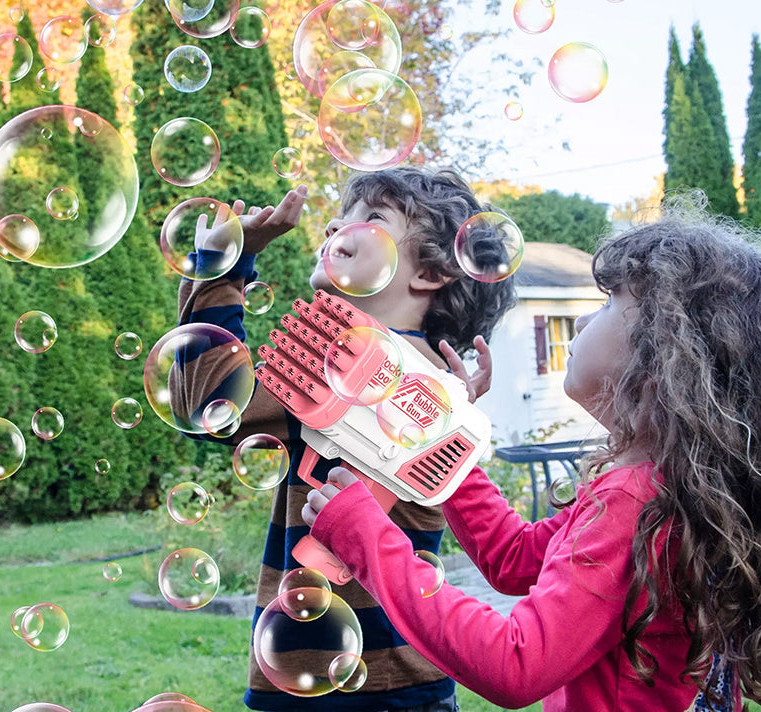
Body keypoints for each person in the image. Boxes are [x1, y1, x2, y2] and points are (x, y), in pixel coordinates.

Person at [303, 197, 761, 712]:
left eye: (609, 301)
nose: (586, 321)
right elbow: (514, 558)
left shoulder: (634, 501)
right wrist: (442, 437)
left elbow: (516, 664)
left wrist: (366, 539)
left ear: (666, 354)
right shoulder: (662, 489)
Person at [174, 165, 516, 711]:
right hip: (389, 678)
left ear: (430, 270)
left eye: (371, 218)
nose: (335, 228)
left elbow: (208, 397)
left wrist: (224, 266)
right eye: (337, 220)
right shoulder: (429, 384)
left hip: (349, 683)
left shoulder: (350, 373)